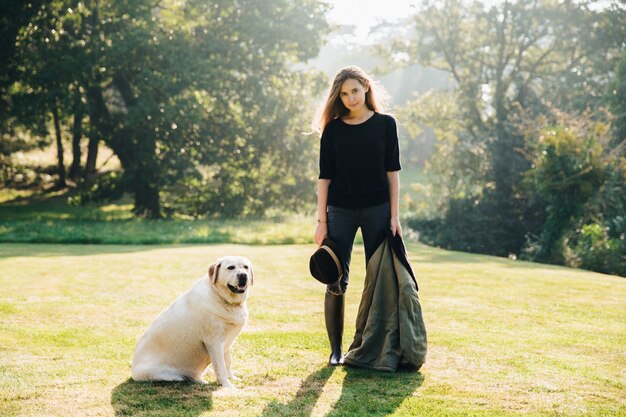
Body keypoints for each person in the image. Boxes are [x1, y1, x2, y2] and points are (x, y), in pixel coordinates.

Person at [313, 65, 402, 366]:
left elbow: (393, 174)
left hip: (378, 210)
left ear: (366, 87)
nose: (351, 98)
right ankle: (336, 350)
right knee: (335, 279)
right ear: (338, 97)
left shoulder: (386, 125)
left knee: (379, 280)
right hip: (340, 211)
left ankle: (371, 349)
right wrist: (321, 222)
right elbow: (324, 178)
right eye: (344, 94)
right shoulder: (333, 130)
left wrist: (395, 216)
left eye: (354, 90)